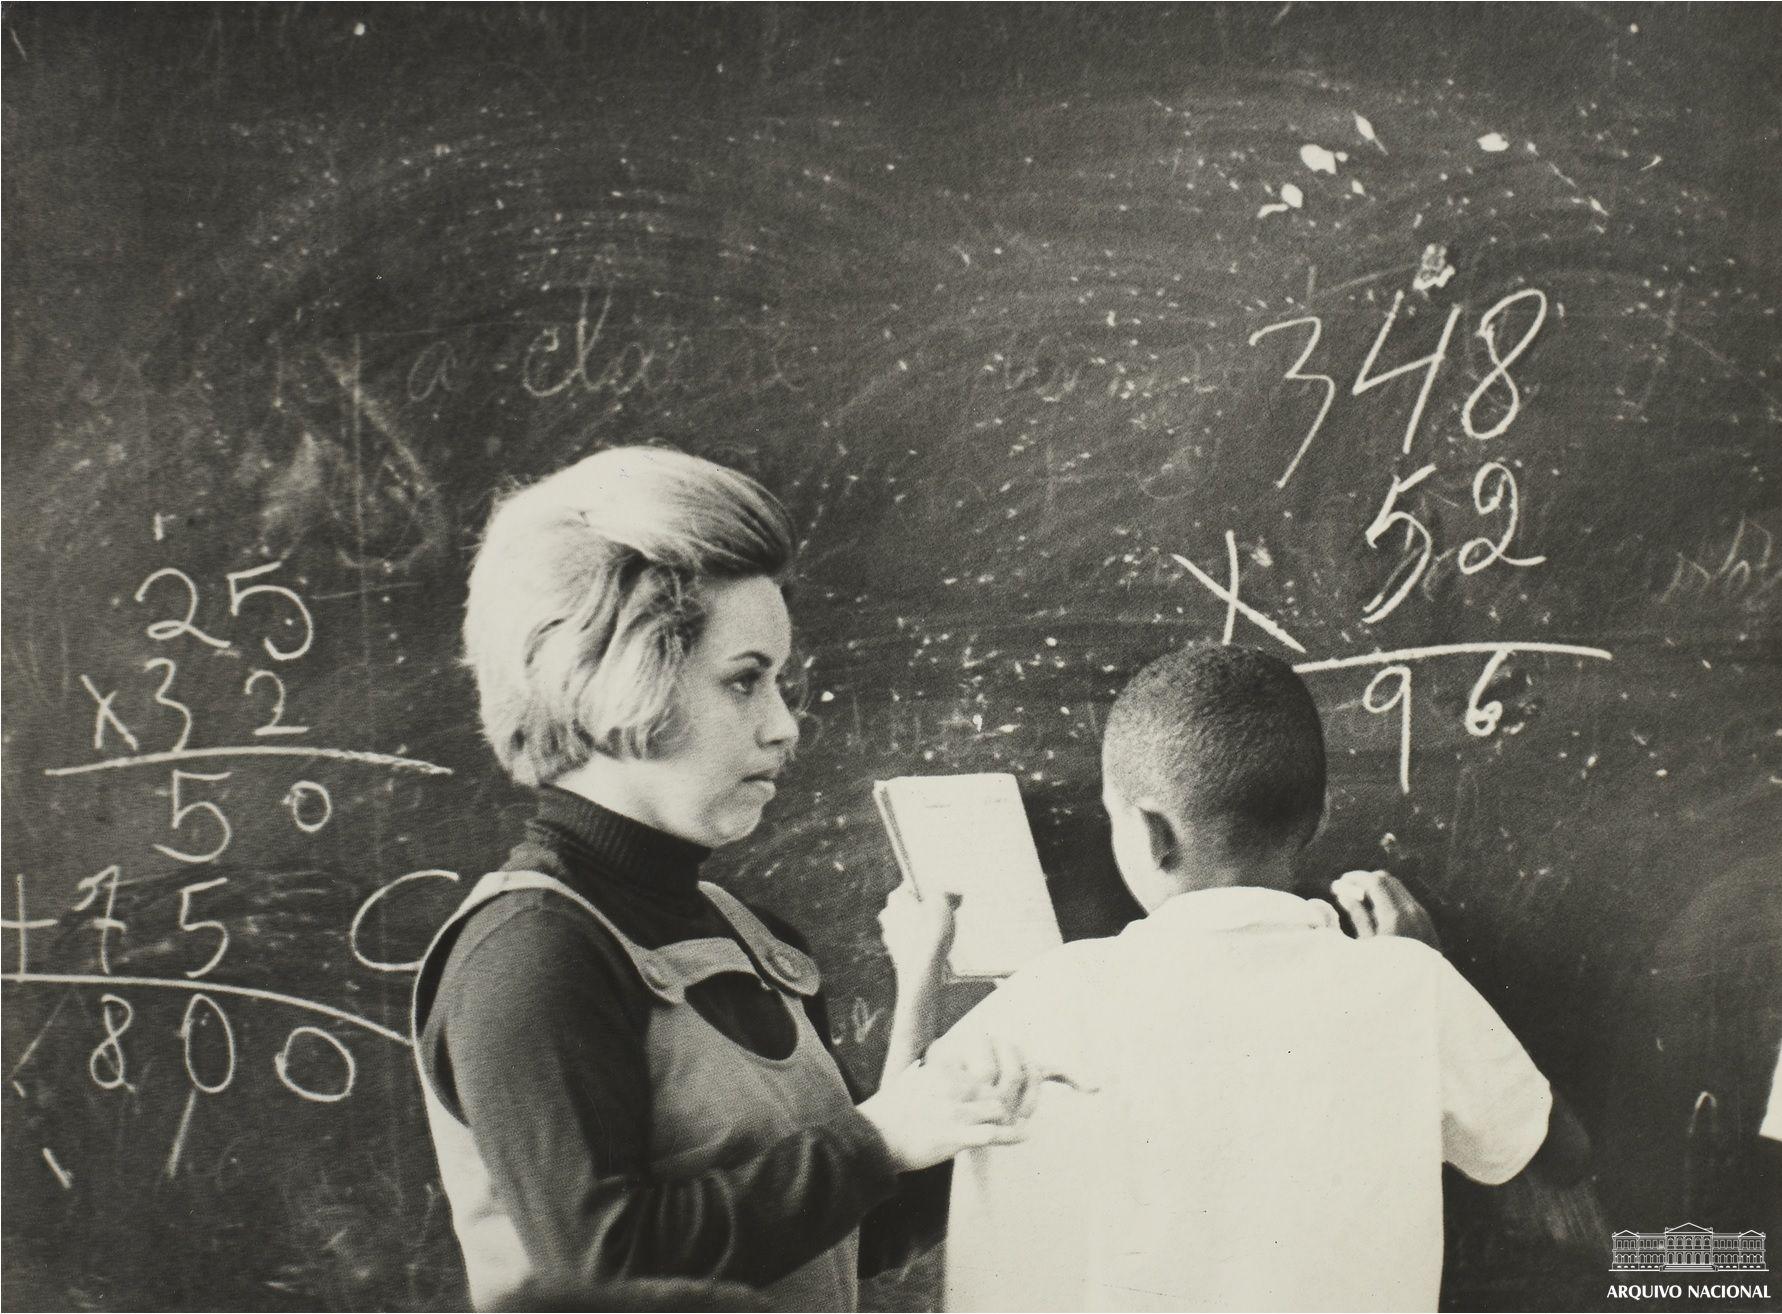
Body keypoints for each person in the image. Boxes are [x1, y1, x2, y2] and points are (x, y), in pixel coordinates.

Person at [410, 446, 1040, 1312]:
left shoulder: (755, 937)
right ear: (621, 678)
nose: (783, 726)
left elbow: (864, 1230)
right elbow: (603, 1271)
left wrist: (1009, 1090)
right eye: (745, 681)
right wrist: (878, 1141)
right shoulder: (528, 956)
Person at [934, 642, 1591, 1313]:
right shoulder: (1410, 989)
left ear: (1152, 832)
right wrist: (1427, 970)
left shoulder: (1043, 1000)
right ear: (1322, 816)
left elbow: (887, 1168)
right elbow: (1561, 1152)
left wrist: (921, 977)